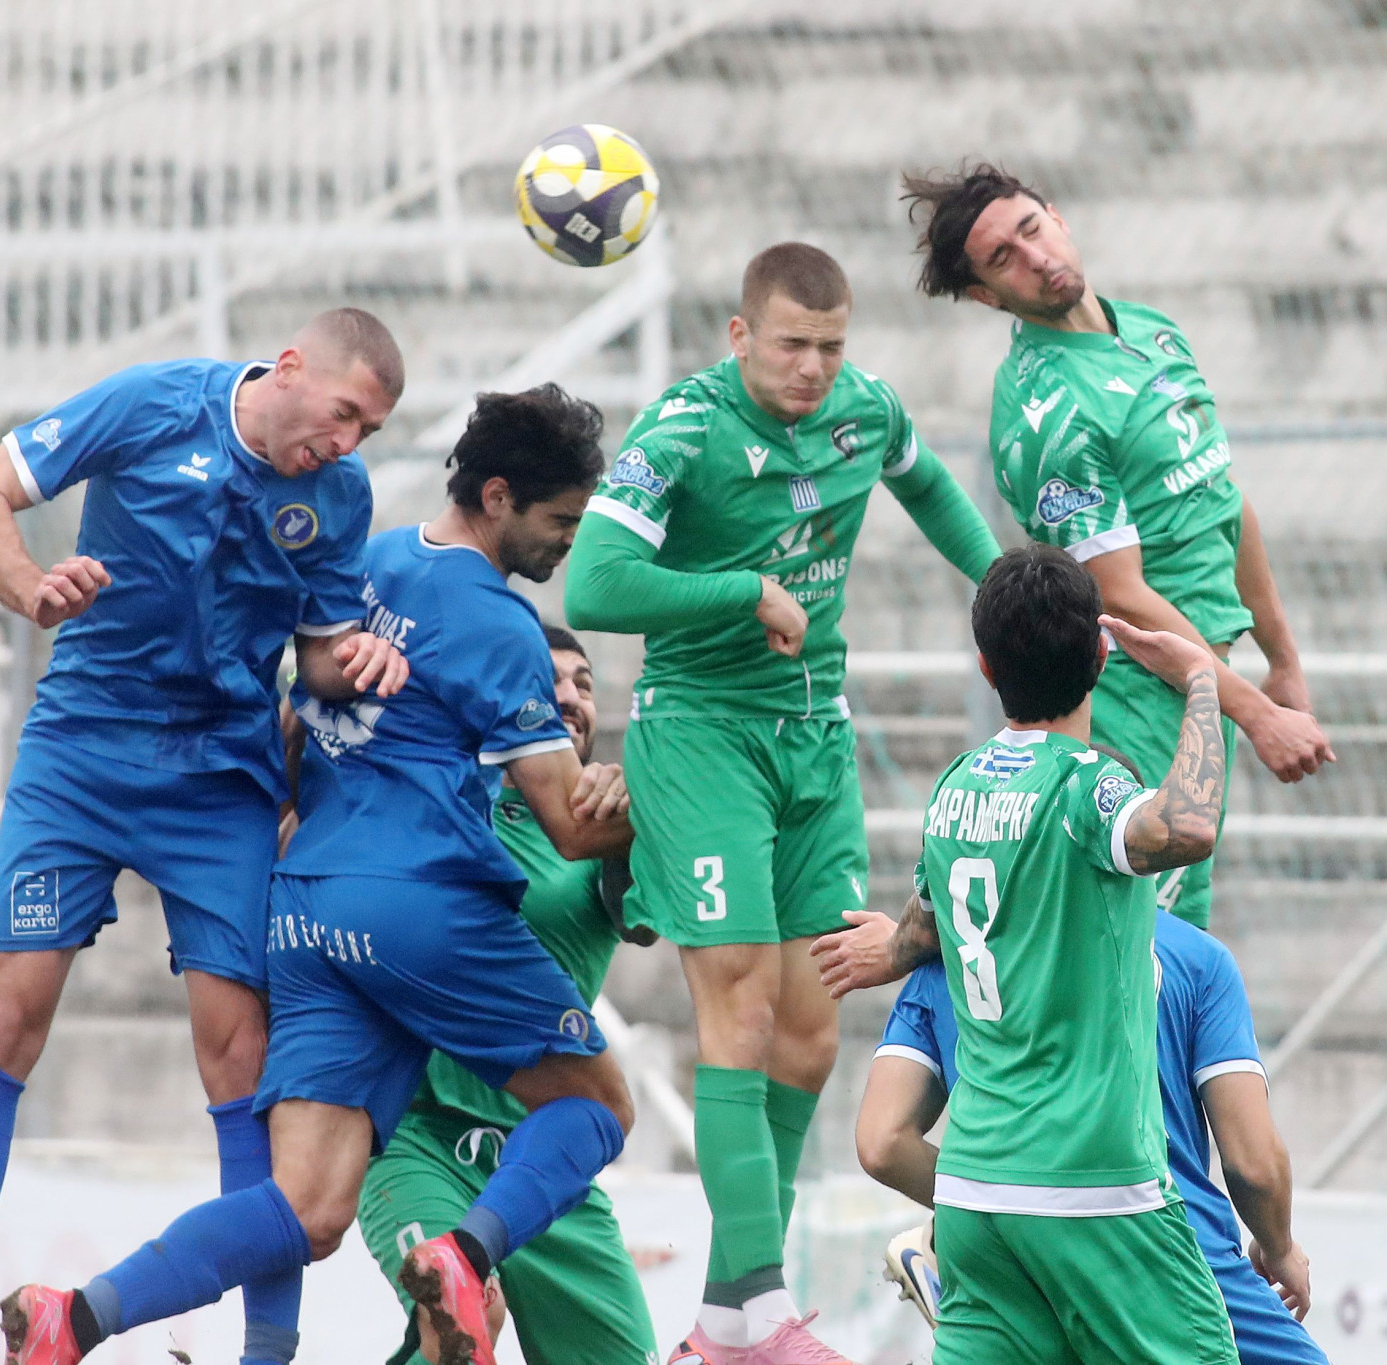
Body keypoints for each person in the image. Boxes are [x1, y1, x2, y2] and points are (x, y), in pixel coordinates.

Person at [0, 385, 639, 1365]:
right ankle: (466, 1254)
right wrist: (650, 804)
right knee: (594, 1102)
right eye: (560, 523)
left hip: (306, 912)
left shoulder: (363, 565)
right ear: (499, 497)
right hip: (419, 901)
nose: (565, 547)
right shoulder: (501, 627)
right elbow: (562, 822)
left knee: (307, 1206)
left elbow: (291, 725)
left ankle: (73, 1318)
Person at [0, 309, 410, 1365]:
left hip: (220, 777)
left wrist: (349, 660)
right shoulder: (149, 404)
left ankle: (265, 1354)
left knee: (238, 1055)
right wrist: (32, 587)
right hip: (81, 750)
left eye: (370, 430)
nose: (347, 444)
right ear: (294, 369)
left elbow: (310, 660)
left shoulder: (337, 498)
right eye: (346, 413)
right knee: (8, 1015)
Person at [564, 242, 1000, 1365]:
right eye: (792, 345)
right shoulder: (684, 428)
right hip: (702, 733)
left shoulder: (864, 409)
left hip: (815, 736)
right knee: (741, 1015)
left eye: (831, 345)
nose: (813, 367)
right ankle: (763, 1313)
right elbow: (593, 585)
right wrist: (738, 588)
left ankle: (719, 1320)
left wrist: (1001, 584)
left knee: (810, 1027)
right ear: (740, 337)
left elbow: (928, 485)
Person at [821, 542, 1237, 1364]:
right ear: (1102, 655)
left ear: (985, 666)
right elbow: (1185, 826)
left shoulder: (956, 787)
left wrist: (895, 951)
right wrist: (1202, 685)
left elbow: (929, 916)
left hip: (976, 1194)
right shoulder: (1088, 783)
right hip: (1096, 1190)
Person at [900, 163, 1334, 928]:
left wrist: (1284, 663)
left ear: (1057, 216)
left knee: (1178, 937)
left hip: (1202, 687)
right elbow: (1120, 596)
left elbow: (1224, 500)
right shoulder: (1046, 412)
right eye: (1002, 258)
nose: (1032, 256)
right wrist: (1255, 714)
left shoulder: (1153, 329)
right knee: (1146, 945)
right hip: (1135, 703)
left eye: (1031, 229)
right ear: (985, 296)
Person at [350, 624, 659, 1365]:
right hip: (419, 1138)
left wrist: (633, 826)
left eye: (584, 684)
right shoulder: (443, 794)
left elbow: (645, 922)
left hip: (545, 1162)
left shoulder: (604, 832)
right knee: (461, 1318)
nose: (568, 697)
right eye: (545, 681)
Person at [839, 899, 1328, 1364]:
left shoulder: (951, 960)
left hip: (997, 1244)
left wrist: (1004, 1206)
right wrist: (1278, 1246)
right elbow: (1254, 1163)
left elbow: (881, 1142)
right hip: (1154, 1243)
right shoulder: (1192, 958)